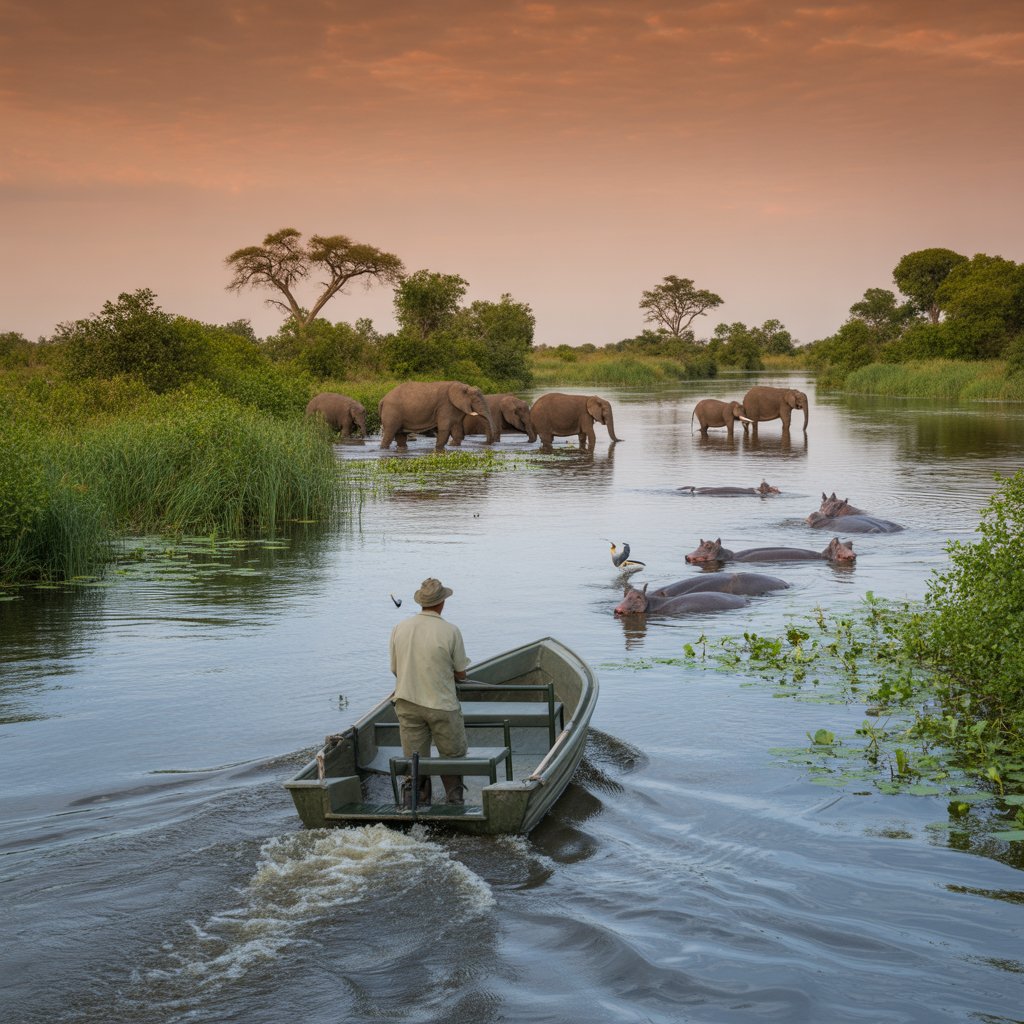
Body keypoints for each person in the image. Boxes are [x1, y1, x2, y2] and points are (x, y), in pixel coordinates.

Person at [389, 577, 471, 807]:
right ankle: (454, 802)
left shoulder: (399, 628)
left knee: (414, 760)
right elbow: (461, 674)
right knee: (452, 756)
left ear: (421, 602)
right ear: (442, 602)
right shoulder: (450, 630)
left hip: (407, 703)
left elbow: (395, 669)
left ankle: (414, 804)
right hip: (442, 705)